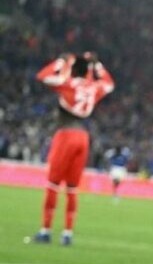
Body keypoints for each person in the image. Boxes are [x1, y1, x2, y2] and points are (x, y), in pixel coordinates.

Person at [31, 52, 115, 246]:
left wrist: (61, 61)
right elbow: (109, 84)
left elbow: (43, 76)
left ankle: (46, 230)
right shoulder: (93, 87)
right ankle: (67, 233)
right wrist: (97, 65)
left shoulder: (68, 83)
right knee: (72, 188)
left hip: (65, 135)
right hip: (83, 138)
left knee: (53, 185)